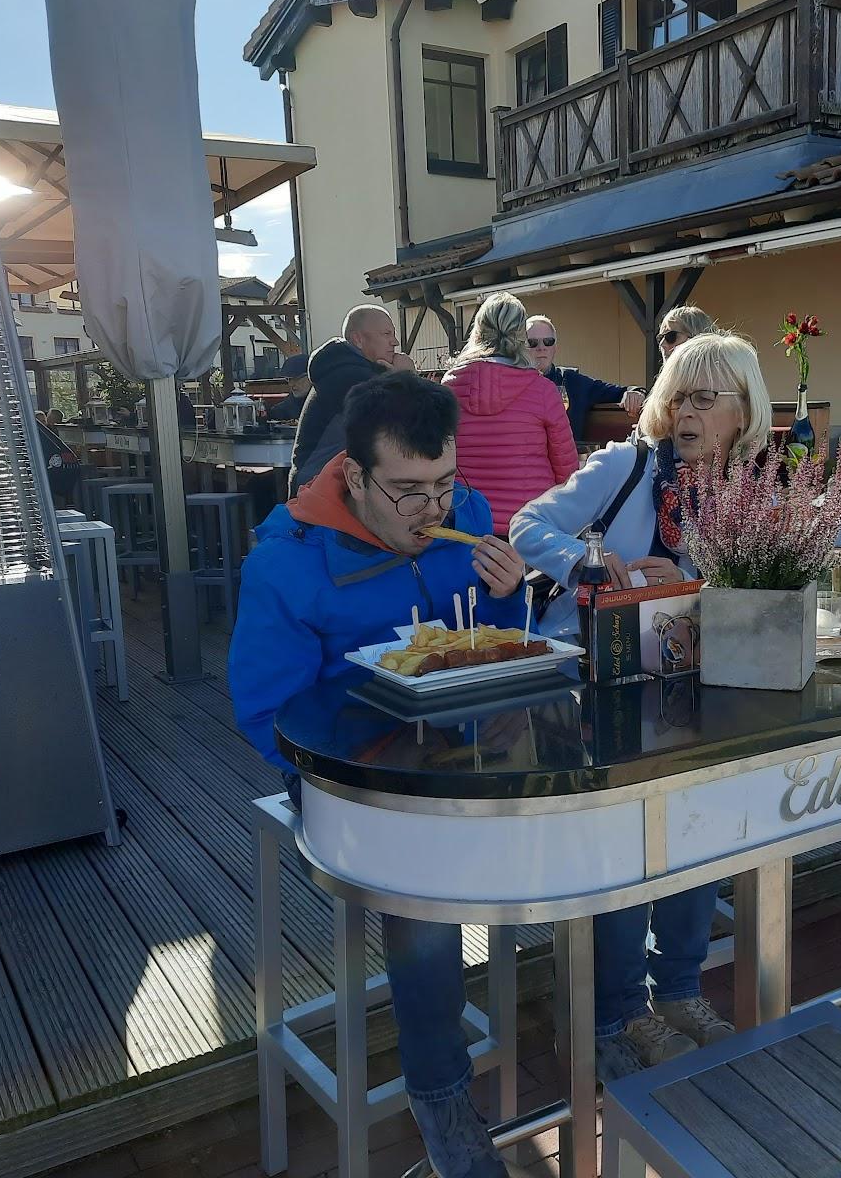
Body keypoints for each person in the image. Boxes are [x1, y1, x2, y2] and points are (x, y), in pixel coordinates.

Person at [230, 370, 529, 1178]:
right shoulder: (288, 566)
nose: (435, 512)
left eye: (444, 483)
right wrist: (378, 754)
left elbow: (488, 638)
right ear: (353, 476)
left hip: (465, 756)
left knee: (595, 827)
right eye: (408, 492)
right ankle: (440, 1098)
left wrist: (510, 602)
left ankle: (618, 1028)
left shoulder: (464, 514)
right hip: (347, 779)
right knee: (419, 890)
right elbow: (266, 713)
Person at [509, 333, 772, 1081]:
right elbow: (529, 525)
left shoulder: (749, 494)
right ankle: (622, 1010)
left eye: (704, 397)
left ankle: (680, 991)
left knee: (695, 837)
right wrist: (596, 565)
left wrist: (689, 576)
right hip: (596, 684)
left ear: (743, 410)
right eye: (677, 395)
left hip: (690, 689)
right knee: (625, 851)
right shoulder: (624, 465)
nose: (684, 411)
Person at [443, 293, 579, 536]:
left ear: (478, 330)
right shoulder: (543, 390)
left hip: (466, 522)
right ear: (520, 335)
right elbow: (566, 470)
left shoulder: (450, 387)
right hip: (529, 526)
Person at [288, 305, 397, 494]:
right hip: (317, 491)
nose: (395, 342)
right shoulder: (350, 378)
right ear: (358, 339)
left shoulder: (341, 369)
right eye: (387, 334)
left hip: (326, 483)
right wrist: (407, 376)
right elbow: (413, 416)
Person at [526, 315, 645, 442]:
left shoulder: (573, 382)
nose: (541, 347)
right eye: (532, 343)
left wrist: (637, 393)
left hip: (566, 459)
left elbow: (620, 391)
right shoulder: (511, 384)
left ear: (555, 348)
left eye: (548, 341)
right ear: (521, 348)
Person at [266, 352, 310, 421]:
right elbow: (279, 410)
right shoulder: (289, 404)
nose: (291, 384)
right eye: (288, 379)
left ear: (311, 376)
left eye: (296, 378)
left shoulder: (326, 403)